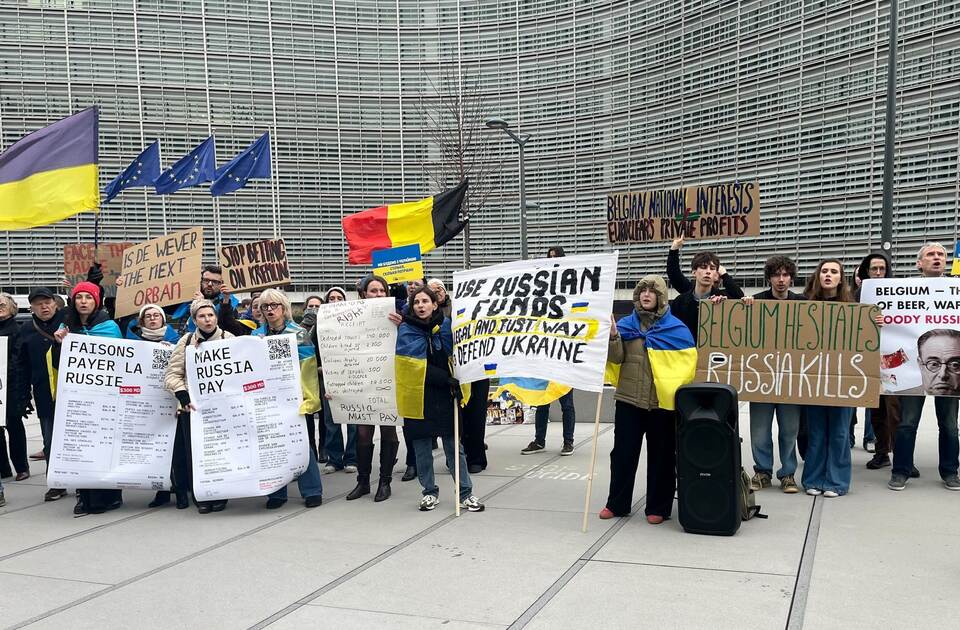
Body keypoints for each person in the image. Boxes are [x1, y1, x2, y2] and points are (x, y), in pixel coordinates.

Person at [600, 275, 696, 523]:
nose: (646, 295)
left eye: (652, 291)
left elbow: (686, 368)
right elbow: (617, 359)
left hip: (661, 405)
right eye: (642, 290)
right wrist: (612, 336)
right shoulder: (625, 325)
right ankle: (616, 503)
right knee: (622, 454)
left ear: (661, 297)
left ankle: (658, 507)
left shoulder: (676, 329)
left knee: (662, 456)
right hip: (628, 401)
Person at [397, 285, 484, 512]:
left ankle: (466, 493)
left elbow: (461, 355)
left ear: (435, 304)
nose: (420, 305)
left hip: (447, 396)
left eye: (425, 301)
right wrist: (445, 378)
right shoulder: (405, 330)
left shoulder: (447, 327)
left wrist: (457, 379)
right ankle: (428, 492)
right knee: (422, 448)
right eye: (416, 302)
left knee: (455, 448)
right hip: (419, 396)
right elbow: (412, 367)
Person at [889, 243, 960, 491]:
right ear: (920, 263)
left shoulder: (956, 290)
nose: (937, 258)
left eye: (941, 254)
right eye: (931, 254)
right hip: (913, 370)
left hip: (950, 373)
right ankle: (901, 471)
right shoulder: (903, 291)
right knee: (907, 423)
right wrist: (880, 317)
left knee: (949, 425)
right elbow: (891, 317)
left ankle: (950, 471)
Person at [51, 281, 124, 515]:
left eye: (88, 297)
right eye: (79, 297)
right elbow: (57, 365)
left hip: (105, 397)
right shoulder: (65, 327)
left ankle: (110, 496)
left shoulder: (110, 327)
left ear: (96, 301)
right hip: (78, 398)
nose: (83, 301)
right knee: (81, 447)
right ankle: (84, 497)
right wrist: (59, 345)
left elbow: (123, 361)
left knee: (105, 446)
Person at [252, 288, 324, 509]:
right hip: (268, 401)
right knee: (273, 446)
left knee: (302, 444)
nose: (270, 310)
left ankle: (312, 490)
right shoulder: (256, 336)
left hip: (295, 398)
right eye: (265, 306)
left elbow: (308, 367)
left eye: (274, 305)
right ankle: (276, 493)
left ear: (284, 308)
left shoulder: (298, 334)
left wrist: (309, 397)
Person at [739, 257, 803, 494]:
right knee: (760, 430)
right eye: (776, 275)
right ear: (769, 278)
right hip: (762, 380)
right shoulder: (755, 302)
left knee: (789, 430)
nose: (781, 279)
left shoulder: (803, 303)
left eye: (785, 275)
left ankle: (787, 475)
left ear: (791, 278)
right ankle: (763, 472)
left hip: (790, 381)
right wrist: (741, 305)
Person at [164, 299, 234, 513]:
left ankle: (221, 493)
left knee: (221, 453)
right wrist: (183, 396)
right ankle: (201, 496)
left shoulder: (228, 339)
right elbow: (171, 375)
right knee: (195, 454)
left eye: (211, 315)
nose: (207, 319)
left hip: (222, 408)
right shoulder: (185, 342)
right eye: (202, 316)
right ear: (194, 320)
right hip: (192, 410)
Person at [800, 260, 862, 498]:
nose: (828, 275)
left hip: (843, 380)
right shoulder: (805, 305)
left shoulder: (854, 307)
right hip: (814, 381)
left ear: (840, 278)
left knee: (839, 433)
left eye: (833, 272)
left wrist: (874, 322)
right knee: (815, 433)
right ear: (818, 276)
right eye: (824, 271)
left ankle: (837, 482)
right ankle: (813, 479)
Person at [340, 275, 402, 502]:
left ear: (387, 293)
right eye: (373, 291)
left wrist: (401, 326)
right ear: (364, 294)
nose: (377, 295)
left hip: (387, 380)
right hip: (361, 380)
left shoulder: (397, 316)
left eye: (381, 291)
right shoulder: (350, 317)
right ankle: (363, 481)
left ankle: (385, 481)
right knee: (363, 432)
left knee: (388, 429)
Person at [522, 245, 578, 456]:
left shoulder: (570, 289)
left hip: (563, 353)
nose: (552, 261)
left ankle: (568, 441)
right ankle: (539, 440)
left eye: (555, 258)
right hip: (544, 353)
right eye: (549, 258)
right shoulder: (540, 291)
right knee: (541, 399)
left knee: (566, 402)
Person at [125, 304, 182, 507]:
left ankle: (182, 488)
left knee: (177, 449)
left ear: (163, 319)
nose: (153, 318)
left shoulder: (178, 341)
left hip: (171, 400)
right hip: (146, 402)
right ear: (141, 322)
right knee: (153, 447)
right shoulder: (132, 343)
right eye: (148, 316)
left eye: (156, 315)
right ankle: (161, 490)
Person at [854, 251, 902, 469]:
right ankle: (882, 452)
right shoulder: (858, 294)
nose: (879, 272)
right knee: (877, 411)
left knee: (896, 412)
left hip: (897, 358)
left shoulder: (899, 293)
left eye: (882, 268)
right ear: (867, 271)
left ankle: (902, 455)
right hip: (869, 359)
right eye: (874, 268)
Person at [305, 287, 358, 475]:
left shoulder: (356, 324)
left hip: (352, 379)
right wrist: (319, 368)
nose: (335, 300)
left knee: (353, 420)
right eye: (332, 298)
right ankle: (334, 459)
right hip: (328, 378)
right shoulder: (319, 326)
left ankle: (352, 457)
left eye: (339, 298)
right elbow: (310, 352)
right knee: (331, 420)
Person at [18, 287, 65, 499]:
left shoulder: (69, 322)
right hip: (45, 394)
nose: (44, 306)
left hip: (73, 392)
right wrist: (23, 395)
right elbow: (21, 364)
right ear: (32, 308)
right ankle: (56, 482)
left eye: (47, 301)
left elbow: (92, 306)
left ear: (55, 303)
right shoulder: (27, 330)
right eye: (38, 303)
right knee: (50, 439)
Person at [666, 236, 744, 340]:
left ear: (716, 273)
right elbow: (674, 274)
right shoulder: (680, 301)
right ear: (694, 272)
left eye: (712, 269)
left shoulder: (722, 298)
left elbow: (739, 296)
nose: (708, 271)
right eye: (703, 267)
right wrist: (674, 249)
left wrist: (724, 274)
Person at [0, 293, 29, 483]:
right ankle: (3, 469)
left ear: (12, 307)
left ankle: (21, 467)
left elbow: (19, 359)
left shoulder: (18, 329)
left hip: (11, 385)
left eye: (2, 304)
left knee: (14, 426)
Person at [169, 265, 242, 335]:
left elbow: (229, 328)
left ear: (222, 284)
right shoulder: (189, 298)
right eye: (206, 280)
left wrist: (201, 303)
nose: (210, 284)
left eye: (215, 282)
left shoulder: (228, 304)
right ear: (200, 281)